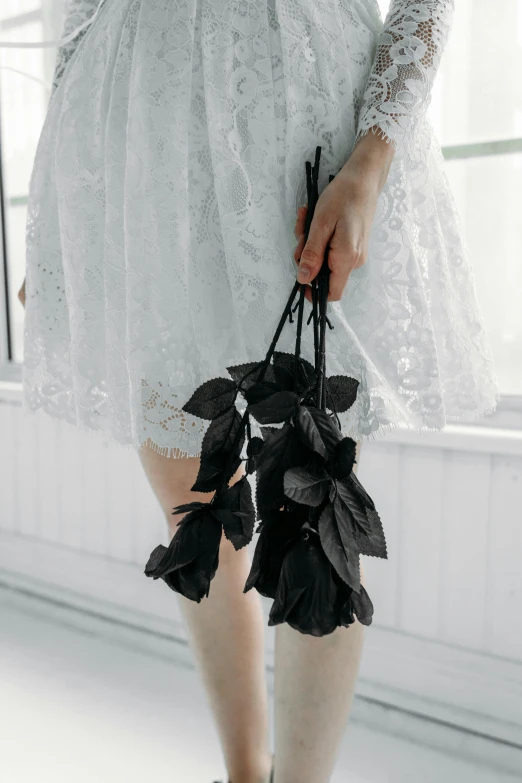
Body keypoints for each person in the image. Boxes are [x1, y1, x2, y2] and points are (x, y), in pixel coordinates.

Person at [8, 1, 499, 782]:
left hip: (291, 106)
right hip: (136, 132)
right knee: (191, 492)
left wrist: (374, 157)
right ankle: (245, 771)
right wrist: (60, 216)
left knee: (310, 492)